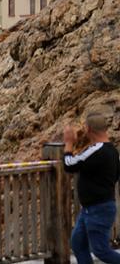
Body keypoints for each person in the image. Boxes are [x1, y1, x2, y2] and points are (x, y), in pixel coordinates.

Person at [64, 112, 120, 263]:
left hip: (97, 209)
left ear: (88, 129)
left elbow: (69, 164)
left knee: (101, 250)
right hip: (93, 208)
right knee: (78, 243)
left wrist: (69, 143)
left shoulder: (96, 150)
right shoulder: (112, 151)